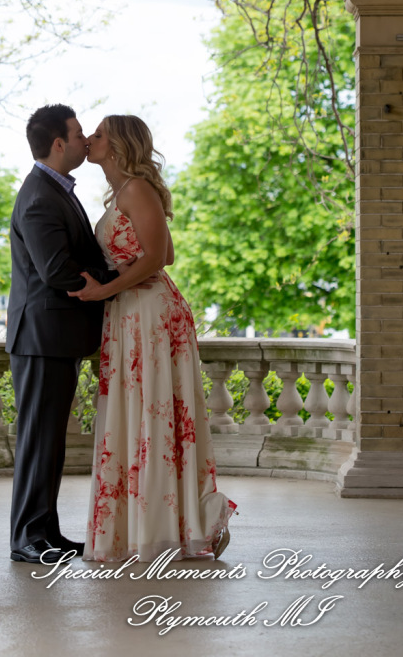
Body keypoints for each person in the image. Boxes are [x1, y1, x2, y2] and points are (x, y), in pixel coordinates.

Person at [68, 114, 237, 563]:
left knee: (155, 413)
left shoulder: (137, 189)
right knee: (139, 413)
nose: (89, 139)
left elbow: (162, 256)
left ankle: (166, 528)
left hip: (151, 313)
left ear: (120, 145)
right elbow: (166, 251)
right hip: (131, 312)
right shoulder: (122, 193)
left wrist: (104, 288)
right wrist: (120, 277)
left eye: (99, 134)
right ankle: (145, 529)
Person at [6, 104, 120, 564]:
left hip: (54, 337)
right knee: (38, 440)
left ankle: (47, 533)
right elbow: (56, 269)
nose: (84, 140)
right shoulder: (39, 197)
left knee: (50, 442)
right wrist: (109, 281)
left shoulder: (57, 190)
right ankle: (27, 540)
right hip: (41, 338)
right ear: (58, 143)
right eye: (77, 134)